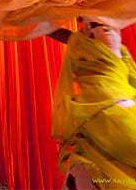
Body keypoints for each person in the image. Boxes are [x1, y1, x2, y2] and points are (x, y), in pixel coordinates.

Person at [50, 17, 136, 189]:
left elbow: (52, 30)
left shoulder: (94, 35)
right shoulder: (101, 38)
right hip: (107, 109)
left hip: (106, 109)